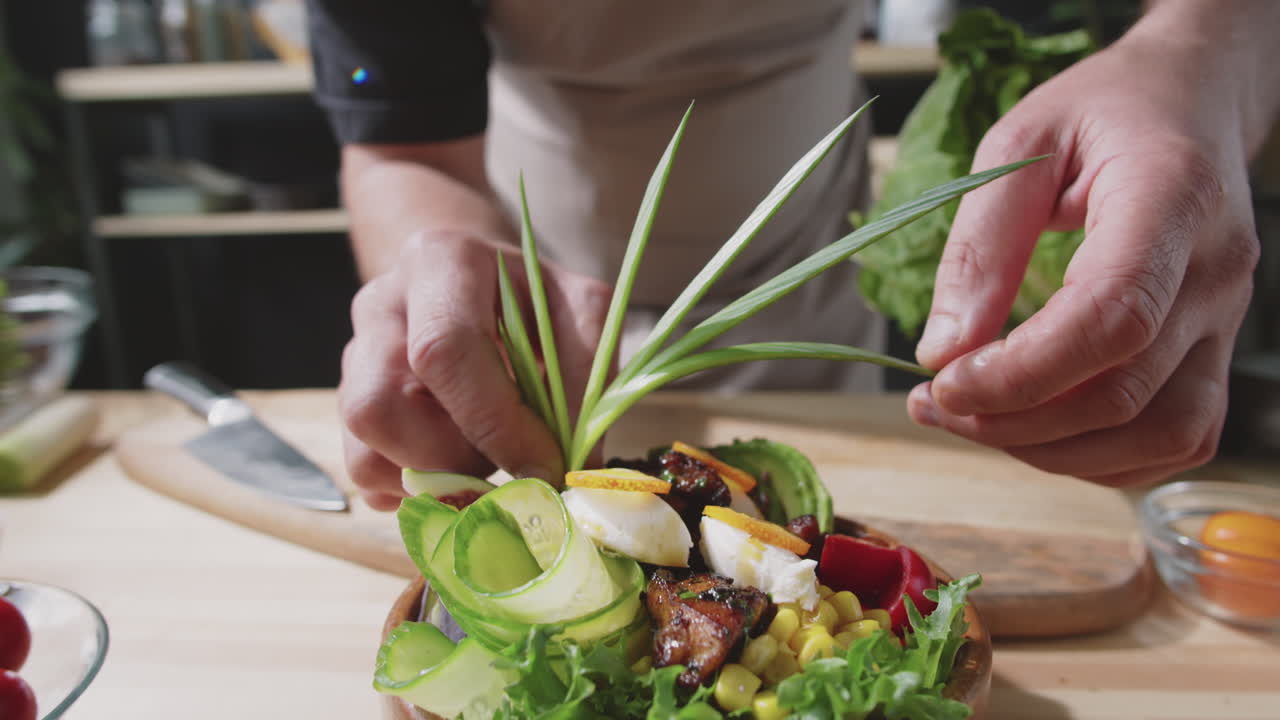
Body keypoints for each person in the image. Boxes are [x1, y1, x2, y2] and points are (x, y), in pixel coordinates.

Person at [306, 0, 1278, 510]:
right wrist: (440, 292)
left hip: (828, 319)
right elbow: (401, 140)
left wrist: (1193, 59)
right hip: (552, 351)